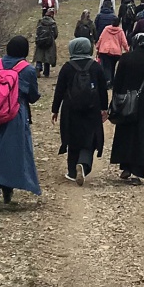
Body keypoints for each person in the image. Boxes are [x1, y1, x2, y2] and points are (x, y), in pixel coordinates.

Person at [0, 36, 43, 213]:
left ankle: (6, 189)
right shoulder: (27, 70)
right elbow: (32, 96)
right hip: (13, 115)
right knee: (7, 153)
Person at [109, 32, 144, 185]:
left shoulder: (125, 58)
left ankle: (125, 166)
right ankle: (137, 172)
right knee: (142, 137)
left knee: (126, 134)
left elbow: (117, 83)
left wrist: (114, 104)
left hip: (126, 101)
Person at [52, 37, 108, 185]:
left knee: (72, 137)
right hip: (92, 108)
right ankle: (83, 164)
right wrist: (104, 108)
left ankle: (71, 171)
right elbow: (102, 89)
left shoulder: (67, 67)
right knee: (89, 139)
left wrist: (55, 109)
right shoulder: (95, 67)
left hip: (70, 108)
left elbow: (59, 90)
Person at [95, 19, 129, 86]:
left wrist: (97, 47)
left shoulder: (106, 29)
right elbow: (124, 42)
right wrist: (127, 50)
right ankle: (112, 81)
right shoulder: (120, 31)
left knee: (106, 67)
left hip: (105, 50)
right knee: (112, 67)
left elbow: (101, 38)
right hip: (116, 52)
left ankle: (108, 80)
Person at [33, 11, 59, 77]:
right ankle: (46, 72)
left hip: (40, 41)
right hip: (49, 42)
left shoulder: (40, 21)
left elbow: (37, 32)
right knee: (48, 57)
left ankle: (38, 69)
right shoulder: (53, 23)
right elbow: (56, 34)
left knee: (39, 56)